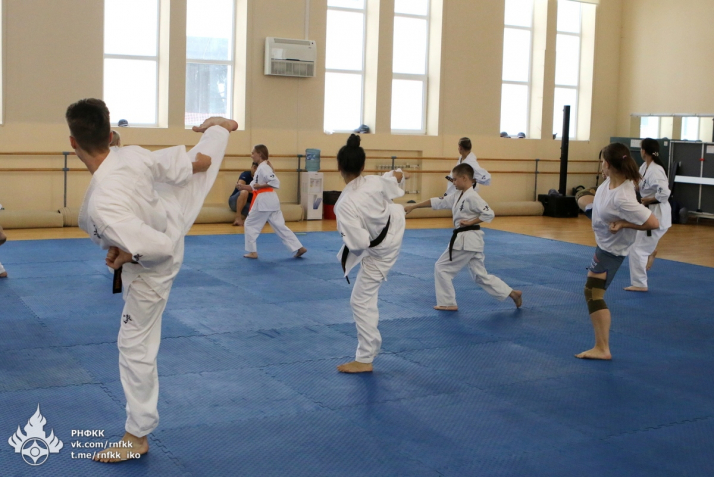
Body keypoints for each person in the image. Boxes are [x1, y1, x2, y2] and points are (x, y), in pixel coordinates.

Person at [66, 98, 237, 462]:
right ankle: (220, 129)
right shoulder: (132, 155)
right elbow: (195, 164)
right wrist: (205, 152)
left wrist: (128, 254)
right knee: (195, 172)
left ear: (73, 143)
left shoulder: (103, 204)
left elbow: (160, 248)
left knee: (134, 347)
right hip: (167, 210)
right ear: (110, 136)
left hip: (155, 264)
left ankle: (137, 435)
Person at [576, 143, 659, 360]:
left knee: (593, 293)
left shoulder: (622, 197)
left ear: (607, 164)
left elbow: (653, 223)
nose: (601, 165)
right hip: (603, 238)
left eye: (602, 161)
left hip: (610, 250)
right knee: (582, 196)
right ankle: (601, 347)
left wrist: (623, 224)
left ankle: (602, 348)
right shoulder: (611, 181)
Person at [405, 163, 522, 311]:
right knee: (480, 276)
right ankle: (512, 293)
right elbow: (438, 201)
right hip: (471, 241)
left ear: (465, 178)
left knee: (442, 268)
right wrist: (414, 206)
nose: (453, 182)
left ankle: (448, 302)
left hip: (466, 239)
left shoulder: (472, 196)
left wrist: (471, 222)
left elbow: (489, 213)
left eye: (455, 179)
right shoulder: (458, 195)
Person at [333, 134, 406, 373]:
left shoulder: (345, 204)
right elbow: (393, 179)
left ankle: (365, 358)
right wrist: (400, 173)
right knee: (364, 297)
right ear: (363, 166)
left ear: (339, 167)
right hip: (394, 223)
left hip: (382, 250)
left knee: (360, 300)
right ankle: (367, 353)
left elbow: (359, 243)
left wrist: (348, 238)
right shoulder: (374, 181)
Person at [235, 145, 307, 259]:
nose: (251, 155)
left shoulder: (264, 168)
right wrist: (242, 187)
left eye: (253, 153)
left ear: (259, 154)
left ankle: (253, 252)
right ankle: (299, 247)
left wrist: (260, 186)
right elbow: (253, 186)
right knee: (280, 226)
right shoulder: (261, 168)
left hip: (264, 201)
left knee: (249, 224)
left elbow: (275, 182)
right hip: (271, 200)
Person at [625, 138, 671, 292]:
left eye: (641, 149)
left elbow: (665, 193)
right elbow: (638, 184)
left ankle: (640, 283)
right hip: (648, 213)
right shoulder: (645, 166)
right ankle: (650, 251)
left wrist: (649, 199)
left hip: (658, 214)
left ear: (644, 151)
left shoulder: (656, 170)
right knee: (636, 243)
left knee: (637, 249)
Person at [228, 161, 258, 226]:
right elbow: (240, 187)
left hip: (247, 204)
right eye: (254, 167)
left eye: (257, 168)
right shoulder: (246, 174)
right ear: (251, 167)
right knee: (244, 192)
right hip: (235, 202)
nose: (255, 170)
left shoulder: (260, 179)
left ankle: (246, 221)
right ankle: (238, 218)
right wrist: (254, 190)